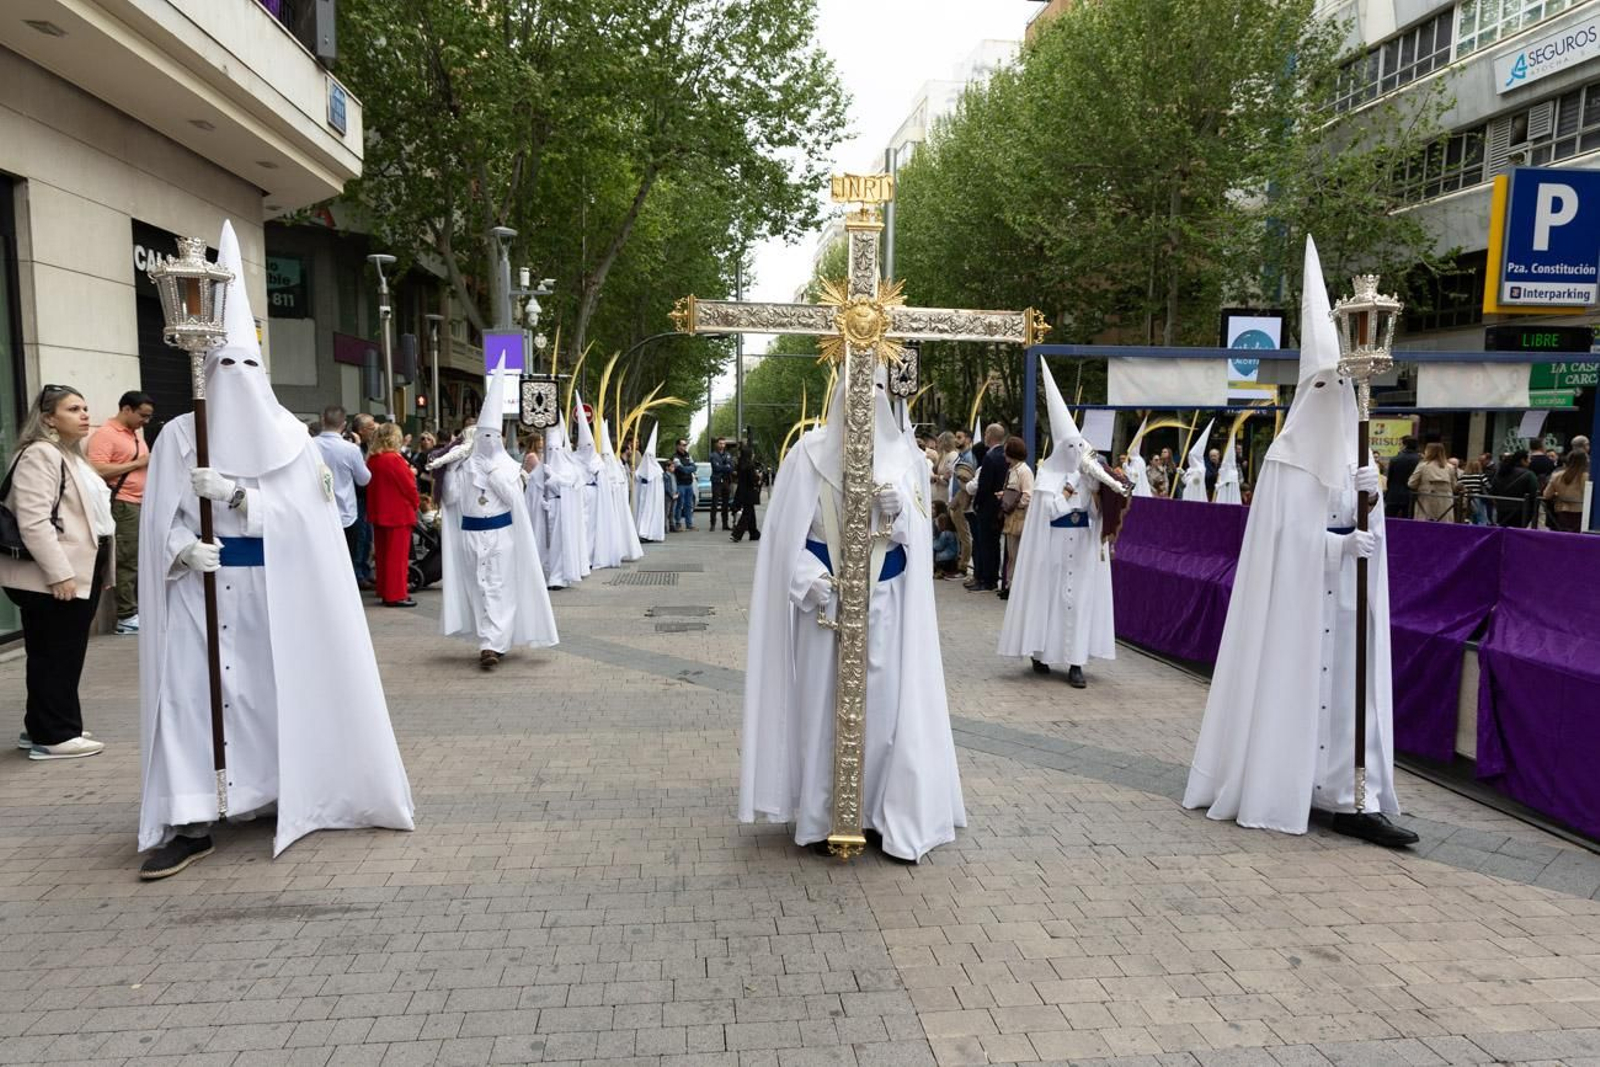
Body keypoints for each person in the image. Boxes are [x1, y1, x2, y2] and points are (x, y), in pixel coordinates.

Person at [137, 221, 413, 879]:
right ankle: (192, 814)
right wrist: (182, 550)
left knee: (267, 696)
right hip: (200, 595)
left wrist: (239, 499)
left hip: (274, 593)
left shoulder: (292, 438)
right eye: (223, 364)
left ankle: (264, 790)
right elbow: (160, 524)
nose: (234, 377)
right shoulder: (181, 435)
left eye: (246, 364)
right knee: (190, 698)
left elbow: (309, 523)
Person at [1182, 236, 1417, 849]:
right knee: (1297, 691)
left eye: (1336, 389)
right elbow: (1280, 549)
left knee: (1347, 698)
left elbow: (1370, 536)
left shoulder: (1358, 458)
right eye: (1318, 389)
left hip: (1347, 606)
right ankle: (1285, 780)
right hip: (1299, 610)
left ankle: (1349, 796)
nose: (1330, 401)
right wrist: (1337, 548)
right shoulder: (1284, 461)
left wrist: (1377, 505)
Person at [741, 372, 965, 863]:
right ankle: (824, 817)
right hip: (827, 603)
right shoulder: (807, 454)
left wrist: (901, 510)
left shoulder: (906, 459)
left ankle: (881, 813)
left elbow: (921, 538)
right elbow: (783, 538)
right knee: (823, 708)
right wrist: (808, 581)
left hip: (886, 602)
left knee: (884, 711)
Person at [998, 359, 1129, 690]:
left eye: (1077, 446)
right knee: (1051, 600)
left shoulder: (1089, 473)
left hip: (1082, 545)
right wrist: (1068, 489)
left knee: (1079, 601)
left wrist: (1099, 487)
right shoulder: (1047, 474)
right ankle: (1042, 652)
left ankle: (1076, 661)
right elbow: (1048, 512)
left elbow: (1100, 511)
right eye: (1067, 446)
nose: (1073, 452)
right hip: (1053, 547)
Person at [2, 384, 114, 760]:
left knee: (56, 652)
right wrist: (60, 574)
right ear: (48, 418)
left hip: (77, 569)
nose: (84, 414)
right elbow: (34, 522)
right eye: (72, 409)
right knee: (57, 654)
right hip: (56, 574)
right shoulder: (41, 454)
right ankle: (55, 736)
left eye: (84, 407)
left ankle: (43, 726)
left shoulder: (69, 455)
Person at [431, 358, 559, 668]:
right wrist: (448, 470)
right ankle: (489, 638)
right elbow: (451, 499)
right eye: (482, 436)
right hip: (471, 535)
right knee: (480, 587)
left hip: (501, 534)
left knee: (499, 586)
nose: (488, 442)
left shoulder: (508, 467)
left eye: (493, 436)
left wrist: (494, 475)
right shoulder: (463, 467)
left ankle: (493, 645)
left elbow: (514, 498)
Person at [86, 390, 153, 635]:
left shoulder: (133, 435)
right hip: (123, 504)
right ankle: (126, 617)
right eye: (142, 415)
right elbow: (96, 469)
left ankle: (133, 611)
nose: (145, 421)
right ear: (126, 409)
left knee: (136, 558)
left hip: (138, 503)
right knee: (126, 560)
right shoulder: (106, 434)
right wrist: (138, 463)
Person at [530, 416, 590, 589]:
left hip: (562, 512)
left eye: (556, 448)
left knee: (559, 544)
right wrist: (540, 502)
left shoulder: (570, 469)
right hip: (544, 511)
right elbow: (532, 493)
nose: (553, 451)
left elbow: (571, 488)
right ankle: (545, 573)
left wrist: (554, 479)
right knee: (543, 542)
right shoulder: (539, 471)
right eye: (550, 448)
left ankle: (559, 576)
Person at [365, 423, 420, 607]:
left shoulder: (373, 459)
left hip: (379, 510)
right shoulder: (394, 459)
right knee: (397, 557)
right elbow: (408, 486)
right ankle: (396, 594)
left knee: (383, 555)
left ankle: (384, 589)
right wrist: (415, 501)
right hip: (397, 513)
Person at [314, 406, 372, 579]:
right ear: (344, 424)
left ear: (323, 420)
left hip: (318, 512)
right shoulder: (351, 449)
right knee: (346, 561)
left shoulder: (310, 445)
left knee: (322, 561)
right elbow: (364, 479)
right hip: (346, 513)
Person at [965, 423, 1008, 592]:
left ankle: (986, 579)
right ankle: (992, 577)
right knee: (994, 544)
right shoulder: (1004, 455)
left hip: (987, 507)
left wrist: (977, 504)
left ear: (989, 435)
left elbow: (984, 485)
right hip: (999, 506)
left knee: (985, 543)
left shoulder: (990, 457)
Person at [997, 436, 1032, 601]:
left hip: (1018, 517)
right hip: (1011, 516)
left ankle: (1014, 587)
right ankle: (1010, 584)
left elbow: (1027, 495)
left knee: (1016, 554)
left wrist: (1013, 502)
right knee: (1011, 554)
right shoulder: (1013, 470)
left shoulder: (1024, 471)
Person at [1407, 442, 1457, 522]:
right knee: (1444, 524)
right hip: (1445, 503)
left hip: (1425, 500)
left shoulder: (1423, 466)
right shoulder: (1450, 467)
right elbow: (1454, 486)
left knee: (1424, 523)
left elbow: (1411, 483)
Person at [949, 429, 976, 576]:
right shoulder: (961, 457)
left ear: (968, 439)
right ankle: (960, 563)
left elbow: (968, 482)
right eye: (955, 437)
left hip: (963, 499)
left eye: (959, 437)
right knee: (961, 534)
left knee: (965, 535)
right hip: (957, 498)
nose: (956, 440)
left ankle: (963, 566)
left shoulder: (969, 458)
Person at [634, 423, 667, 543]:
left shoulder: (657, 471)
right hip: (643, 496)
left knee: (650, 514)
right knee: (642, 513)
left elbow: (658, 487)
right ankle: (641, 532)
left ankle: (649, 533)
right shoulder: (641, 469)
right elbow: (637, 477)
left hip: (652, 499)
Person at [1491, 450, 1540, 528]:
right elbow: (1535, 494)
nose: (1530, 461)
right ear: (1523, 460)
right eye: (1529, 459)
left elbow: (1493, 490)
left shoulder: (1500, 472)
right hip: (1521, 512)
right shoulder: (1529, 474)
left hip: (1501, 510)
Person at [1543, 450, 1588, 533]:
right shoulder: (1587, 477)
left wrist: (1557, 494)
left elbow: (1546, 495)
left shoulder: (1557, 476)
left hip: (1562, 512)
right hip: (1582, 514)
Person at [730, 440, 762, 543]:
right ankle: (737, 534)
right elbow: (753, 479)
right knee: (747, 514)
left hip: (742, 491)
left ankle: (754, 533)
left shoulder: (741, 465)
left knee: (750, 512)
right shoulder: (750, 466)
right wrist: (759, 477)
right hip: (750, 492)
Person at [1383, 436, 1420, 518]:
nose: (1399, 446)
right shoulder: (1420, 460)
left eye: (1400, 444)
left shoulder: (1395, 459)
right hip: (1412, 495)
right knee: (1408, 520)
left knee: (1389, 519)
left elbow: (1390, 478)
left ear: (1405, 445)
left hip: (1394, 493)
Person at [1178, 424, 1213, 501]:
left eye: (1191, 457)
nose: (1190, 459)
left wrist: (1186, 477)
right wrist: (1183, 473)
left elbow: (1193, 482)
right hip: (1188, 494)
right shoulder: (1191, 469)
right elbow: (1186, 481)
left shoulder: (1200, 470)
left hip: (1195, 495)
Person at [670, 439, 697, 532]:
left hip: (689, 483)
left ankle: (689, 524)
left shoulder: (688, 455)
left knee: (688, 505)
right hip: (680, 484)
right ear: (677, 446)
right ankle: (678, 524)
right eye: (683, 445)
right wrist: (689, 468)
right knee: (679, 505)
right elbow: (682, 469)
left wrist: (687, 468)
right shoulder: (675, 457)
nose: (685, 446)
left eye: (686, 445)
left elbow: (695, 467)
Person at [709, 436, 734, 531]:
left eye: (723, 443)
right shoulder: (713, 455)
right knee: (715, 503)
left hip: (726, 481)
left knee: (725, 503)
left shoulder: (728, 454)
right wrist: (726, 466)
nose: (722, 445)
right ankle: (712, 524)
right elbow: (716, 468)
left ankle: (725, 524)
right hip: (717, 481)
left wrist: (724, 466)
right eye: (720, 443)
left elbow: (731, 467)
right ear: (717, 444)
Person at [1213, 428, 1243, 505]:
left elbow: (1228, 480)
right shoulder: (1222, 469)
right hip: (1223, 496)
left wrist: (1219, 485)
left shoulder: (1234, 472)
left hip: (1231, 495)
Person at [1457, 457, 1489, 525]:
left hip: (1466, 497)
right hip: (1477, 497)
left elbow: (1458, 485)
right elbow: (1488, 485)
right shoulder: (1481, 476)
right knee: (1481, 516)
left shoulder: (1463, 476)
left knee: (1469, 516)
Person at [932, 512, 960, 578]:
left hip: (945, 558)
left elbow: (939, 547)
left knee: (934, 551)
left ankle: (939, 570)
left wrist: (932, 542)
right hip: (953, 557)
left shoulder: (945, 534)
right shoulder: (953, 533)